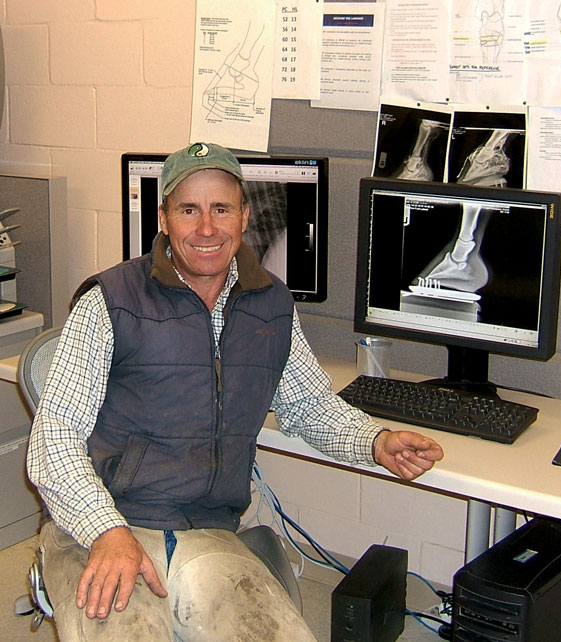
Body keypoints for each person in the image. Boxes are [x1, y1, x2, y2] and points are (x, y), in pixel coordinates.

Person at [27, 142, 444, 642]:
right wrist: (105, 530)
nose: (206, 228)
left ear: (245, 216)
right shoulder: (111, 301)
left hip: (208, 532)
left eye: (221, 208)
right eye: (189, 210)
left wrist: (374, 441)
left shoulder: (270, 305)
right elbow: (55, 436)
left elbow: (309, 405)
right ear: (163, 218)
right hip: (105, 526)